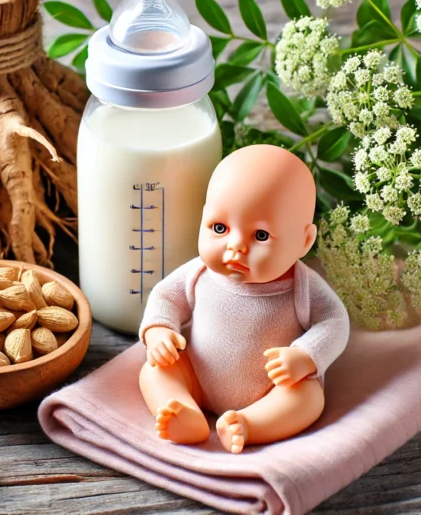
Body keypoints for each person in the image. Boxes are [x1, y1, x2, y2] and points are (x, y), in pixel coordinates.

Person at [138, 144, 350, 453]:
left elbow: (334, 321)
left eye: (260, 236)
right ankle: (183, 410)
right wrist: (159, 331)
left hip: (271, 390)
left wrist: (306, 356)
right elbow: (165, 297)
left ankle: (250, 424)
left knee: (307, 398)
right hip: (197, 376)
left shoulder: (302, 286)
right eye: (219, 228)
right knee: (155, 369)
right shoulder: (199, 272)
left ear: (304, 241)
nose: (235, 246)